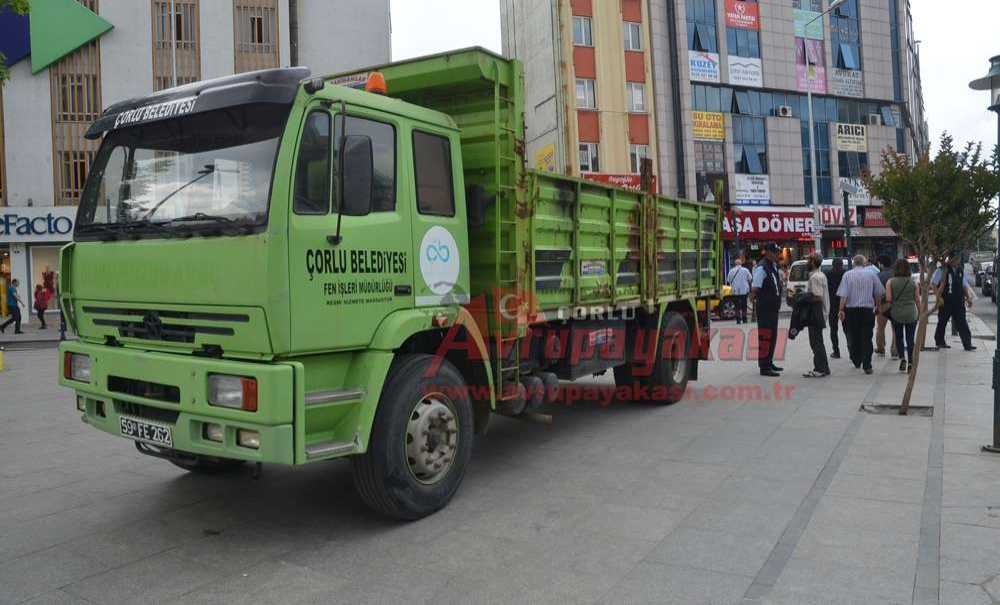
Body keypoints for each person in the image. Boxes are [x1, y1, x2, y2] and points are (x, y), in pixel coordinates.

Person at [837, 255, 885, 374]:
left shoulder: (847, 275)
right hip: (867, 310)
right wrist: (878, 306)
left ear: (854, 263)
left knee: (854, 336)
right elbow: (878, 293)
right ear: (864, 263)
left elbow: (843, 295)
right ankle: (867, 365)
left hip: (851, 311)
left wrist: (841, 309)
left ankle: (856, 359)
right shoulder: (871, 274)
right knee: (867, 337)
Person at [751, 243, 783, 377]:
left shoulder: (773, 266)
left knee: (773, 336)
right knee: (765, 336)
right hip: (765, 308)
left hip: (772, 308)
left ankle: (769, 362)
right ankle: (764, 367)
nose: (777, 254)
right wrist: (753, 302)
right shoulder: (762, 267)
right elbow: (755, 288)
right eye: (775, 252)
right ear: (768, 253)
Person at [931, 254, 976, 351]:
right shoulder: (942, 270)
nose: (957, 261)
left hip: (958, 301)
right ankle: (940, 341)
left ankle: (967, 344)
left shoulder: (960, 270)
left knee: (962, 322)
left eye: (958, 259)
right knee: (942, 321)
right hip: (946, 300)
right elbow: (934, 284)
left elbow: (964, 285)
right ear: (950, 259)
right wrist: (938, 297)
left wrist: (968, 298)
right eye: (955, 259)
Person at [886, 258, 918, 372]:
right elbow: (917, 299)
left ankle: (902, 359)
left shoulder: (890, 282)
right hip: (911, 313)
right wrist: (920, 313)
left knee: (899, 337)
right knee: (910, 339)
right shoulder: (913, 282)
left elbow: (889, 299)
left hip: (896, 313)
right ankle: (911, 362)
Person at [803, 253, 830, 378]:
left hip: (816, 313)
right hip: (820, 312)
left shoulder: (815, 277)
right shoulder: (820, 275)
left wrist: (803, 298)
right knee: (818, 341)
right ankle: (823, 367)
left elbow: (818, 297)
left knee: (816, 342)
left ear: (813, 262)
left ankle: (820, 368)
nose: (807, 262)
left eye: (809, 260)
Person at [874, 254, 898, 358]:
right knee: (895, 329)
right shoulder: (896, 274)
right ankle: (894, 350)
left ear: (881, 264)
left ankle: (880, 349)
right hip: (895, 305)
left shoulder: (878, 276)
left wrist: (876, 306)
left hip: (882, 305)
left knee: (880, 328)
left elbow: (875, 292)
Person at [827, 258, 846, 358]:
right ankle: (851, 349)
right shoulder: (845, 274)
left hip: (832, 305)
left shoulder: (828, 274)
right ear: (842, 265)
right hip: (844, 305)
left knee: (833, 329)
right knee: (847, 328)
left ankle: (836, 351)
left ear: (832, 265)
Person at [726, 257, 752, 324]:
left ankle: (738, 319)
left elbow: (728, 281)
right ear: (741, 263)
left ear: (735, 264)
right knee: (744, 305)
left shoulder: (731, 271)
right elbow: (750, 279)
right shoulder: (745, 270)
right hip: (744, 290)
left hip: (735, 291)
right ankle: (744, 319)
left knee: (736, 306)